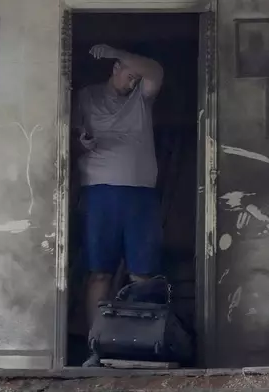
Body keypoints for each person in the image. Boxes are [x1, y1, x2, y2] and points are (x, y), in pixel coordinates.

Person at [72, 44, 163, 367]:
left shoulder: (142, 97)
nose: (134, 82)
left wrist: (114, 51)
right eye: (129, 76)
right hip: (99, 191)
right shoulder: (87, 96)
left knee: (143, 274)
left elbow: (154, 70)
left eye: (136, 77)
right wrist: (82, 143)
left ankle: (140, 348)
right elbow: (67, 138)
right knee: (99, 273)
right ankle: (95, 348)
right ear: (114, 70)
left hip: (140, 193)